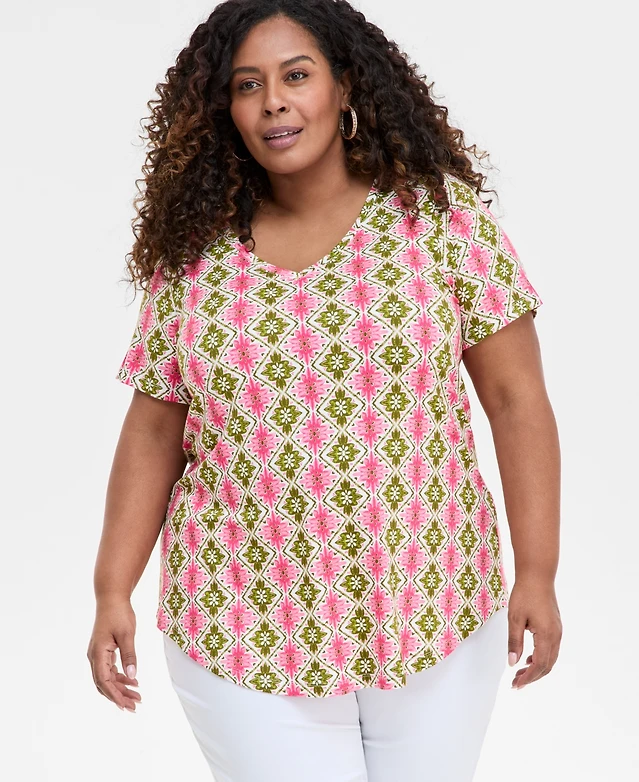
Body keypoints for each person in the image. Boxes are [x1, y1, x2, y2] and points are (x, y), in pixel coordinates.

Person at [87, 1, 563, 779]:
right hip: (242, 622)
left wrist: (538, 572)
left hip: (433, 604)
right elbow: (153, 430)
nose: (273, 101)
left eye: (296, 76)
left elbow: (516, 401)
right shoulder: (194, 263)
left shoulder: (440, 223)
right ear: (226, 110)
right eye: (248, 85)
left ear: (344, 87)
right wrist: (112, 587)